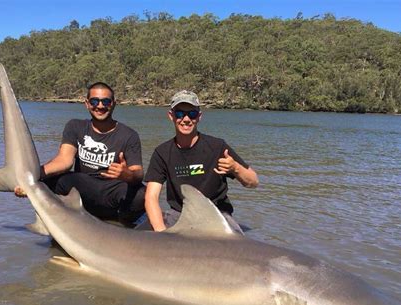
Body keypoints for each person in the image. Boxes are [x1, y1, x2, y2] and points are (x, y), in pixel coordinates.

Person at [15, 82, 145, 226]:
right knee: (54, 180)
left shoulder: (129, 135)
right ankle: (59, 223)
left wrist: (127, 174)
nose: (100, 106)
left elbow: (138, 173)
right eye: (95, 101)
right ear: (87, 104)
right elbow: (64, 161)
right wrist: (32, 177)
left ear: (114, 104)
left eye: (106, 101)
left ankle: (120, 226)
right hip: (83, 189)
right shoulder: (75, 126)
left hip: (111, 191)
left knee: (141, 194)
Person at [143, 90, 259, 233]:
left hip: (218, 216)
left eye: (192, 114)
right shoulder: (162, 152)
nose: (186, 119)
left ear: (199, 117)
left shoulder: (217, 147)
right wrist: (160, 232)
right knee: (143, 232)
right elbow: (151, 196)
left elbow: (253, 181)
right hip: (179, 215)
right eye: (179, 113)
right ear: (171, 116)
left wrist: (235, 168)